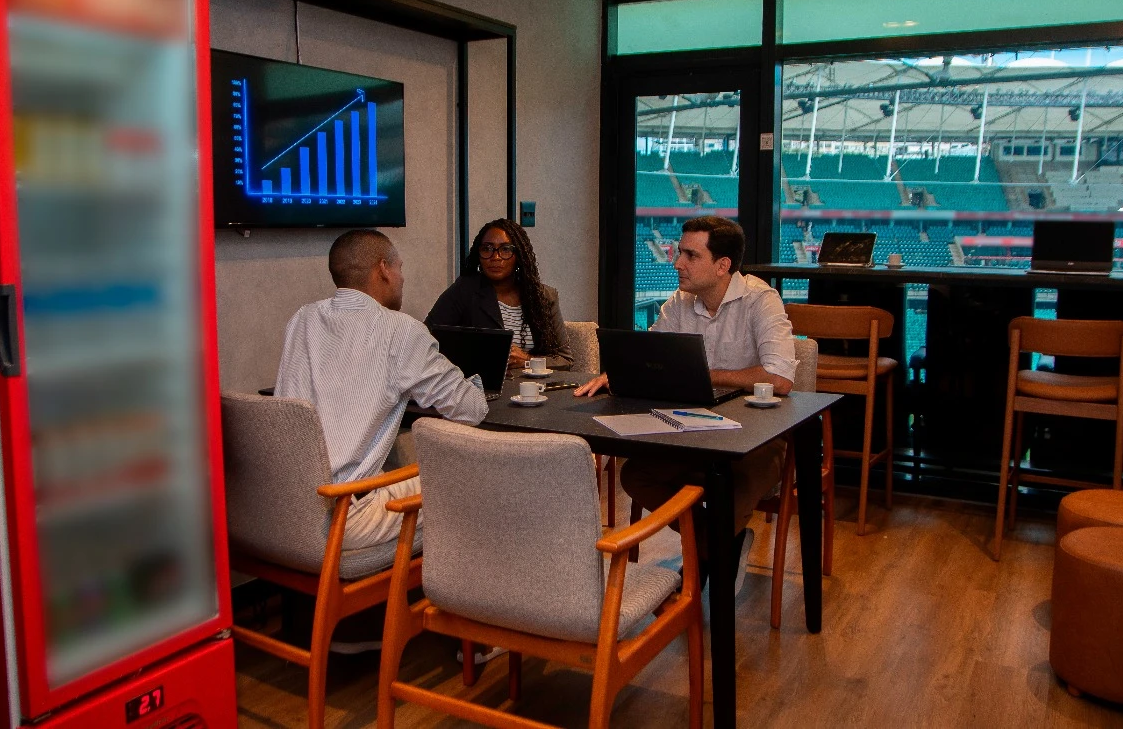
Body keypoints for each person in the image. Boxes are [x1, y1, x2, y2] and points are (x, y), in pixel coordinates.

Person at [575, 215, 797, 587]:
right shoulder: (679, 302)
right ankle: (715, 546)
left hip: (756, 437)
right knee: (636, 474)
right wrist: (620, 372)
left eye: (690, 255)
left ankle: (703, 566)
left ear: (722, 265)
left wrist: (708, 375)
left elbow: (780, 378)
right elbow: (651, 355)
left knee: (732, 485)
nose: (677, 263)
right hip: (690, 432)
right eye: (679, 253)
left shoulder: (762, 300)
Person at [276, 228, 489, 551]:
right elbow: (470, 410)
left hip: (283, 510)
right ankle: (464, 590)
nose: (402, 278)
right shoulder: (400, 331)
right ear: (383, 269)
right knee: (472, 473)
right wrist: (471, 381)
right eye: (400, 268)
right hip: (344, 516)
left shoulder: (302, 319)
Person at [426, 218, 573, 371]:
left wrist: (527, 360)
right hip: (483, 387)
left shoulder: (544, 297)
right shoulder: (465, 291)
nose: (495, 257)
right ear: (479, 254)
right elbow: (425, 338)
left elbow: (565, 360)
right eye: (487, 249)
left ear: (519, 256)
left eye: (505, 249)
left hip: (538, 389)